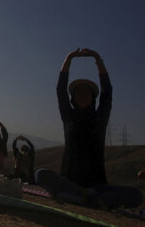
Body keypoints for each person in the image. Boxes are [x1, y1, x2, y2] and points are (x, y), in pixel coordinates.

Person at [35, 48, 142, 209]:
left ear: (93, 98)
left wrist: (97, 59)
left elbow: (108, 92)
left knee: (136, 195)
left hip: (97, 186)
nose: (83, 94)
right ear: (73, 98)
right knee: (40, 174)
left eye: (87, 92)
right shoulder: (68, 117)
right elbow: (60, 90)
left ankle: (82, 197)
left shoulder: (100, 118)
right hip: (68, 182)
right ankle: (87, 198)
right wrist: (68, 59)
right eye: (79, 92)